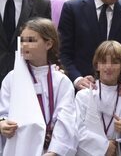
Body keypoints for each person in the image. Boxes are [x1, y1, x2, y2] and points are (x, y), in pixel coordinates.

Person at [0, 18, 76, 156]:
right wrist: (2, 124)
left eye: (31, 40)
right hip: (18, 147)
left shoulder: (61, 81)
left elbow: (65, 119)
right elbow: (2, 111)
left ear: (48, 44)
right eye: (22, 40)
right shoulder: (12, 78)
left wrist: (54, 151)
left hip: (49, 150)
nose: (24, 45)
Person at [75, 40, 121, 156]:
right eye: (103, 61)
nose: (108, 66)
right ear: (97, 65)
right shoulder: (84, 95)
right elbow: (76, 129)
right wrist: (104, 147)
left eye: (115, 62)